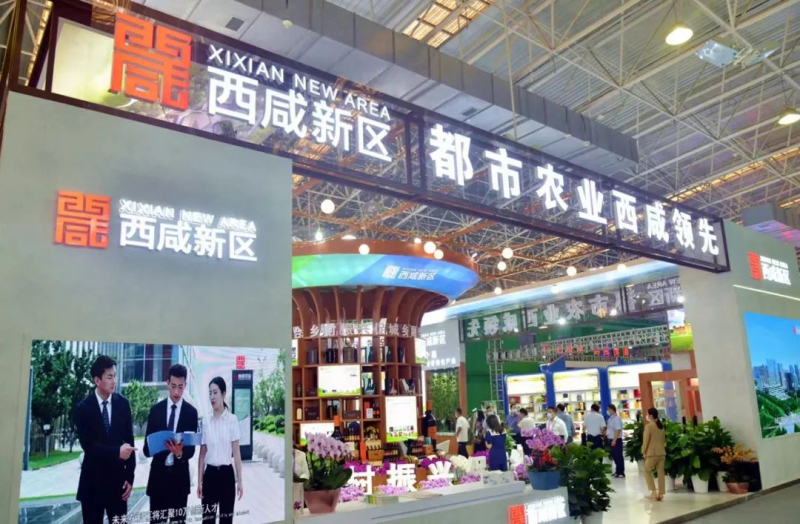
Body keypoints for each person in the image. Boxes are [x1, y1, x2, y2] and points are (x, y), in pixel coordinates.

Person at [75, 355, 136, 524]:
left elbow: (130, 442)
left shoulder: (123, 404)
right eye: (109, 377)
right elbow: (89, 446)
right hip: (92, 484)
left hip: (118, 484)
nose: (114, 381)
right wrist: (117, 452)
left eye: (115, 376)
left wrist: (130, 477)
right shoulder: (83, 408)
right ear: (97, 380)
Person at [144, 364, 199, 524]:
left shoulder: (191, 413)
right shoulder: (156, 410)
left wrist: (179, 453)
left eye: (180, 387)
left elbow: (191, 450)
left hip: (179, 480)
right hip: (158, 479)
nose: (176, 392)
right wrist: (154, 446)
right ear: (167, 383)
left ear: (185, 385)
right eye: (173, 386)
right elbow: (147, 449)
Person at [198, 377, 244, 523]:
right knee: (207, 520)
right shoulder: (206, 421)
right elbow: (202, 454)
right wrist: (199, 481)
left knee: (226, 520)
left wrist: (240, 481)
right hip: (210, 476)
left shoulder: (232, 420)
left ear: (223, 394)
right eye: (210, 393)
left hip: (226, 476)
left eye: (215, 392)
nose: (212, 397)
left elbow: (236, 453)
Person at [642, 407, 666, 501]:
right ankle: (661, 494)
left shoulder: (649, 426)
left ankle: (653, 492)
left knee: (647, 470)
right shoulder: (661, 426)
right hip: (662, 453)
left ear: (651, 416)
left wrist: (643, 451)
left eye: (647, 414)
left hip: (652, 454)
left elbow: (646, 441)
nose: (646, 416)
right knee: (661, 473)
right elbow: (663, 440)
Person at [606, 404, 625, 478]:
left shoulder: (616, 419)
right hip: (611, 439)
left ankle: (621, 472)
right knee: (615, 456)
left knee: (618, 456)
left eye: (608, 409)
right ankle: (617, 471)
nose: (607, 411)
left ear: (612, 409)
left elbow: (617, 430)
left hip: (616, 439)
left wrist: (614, 440)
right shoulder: (610, 419)